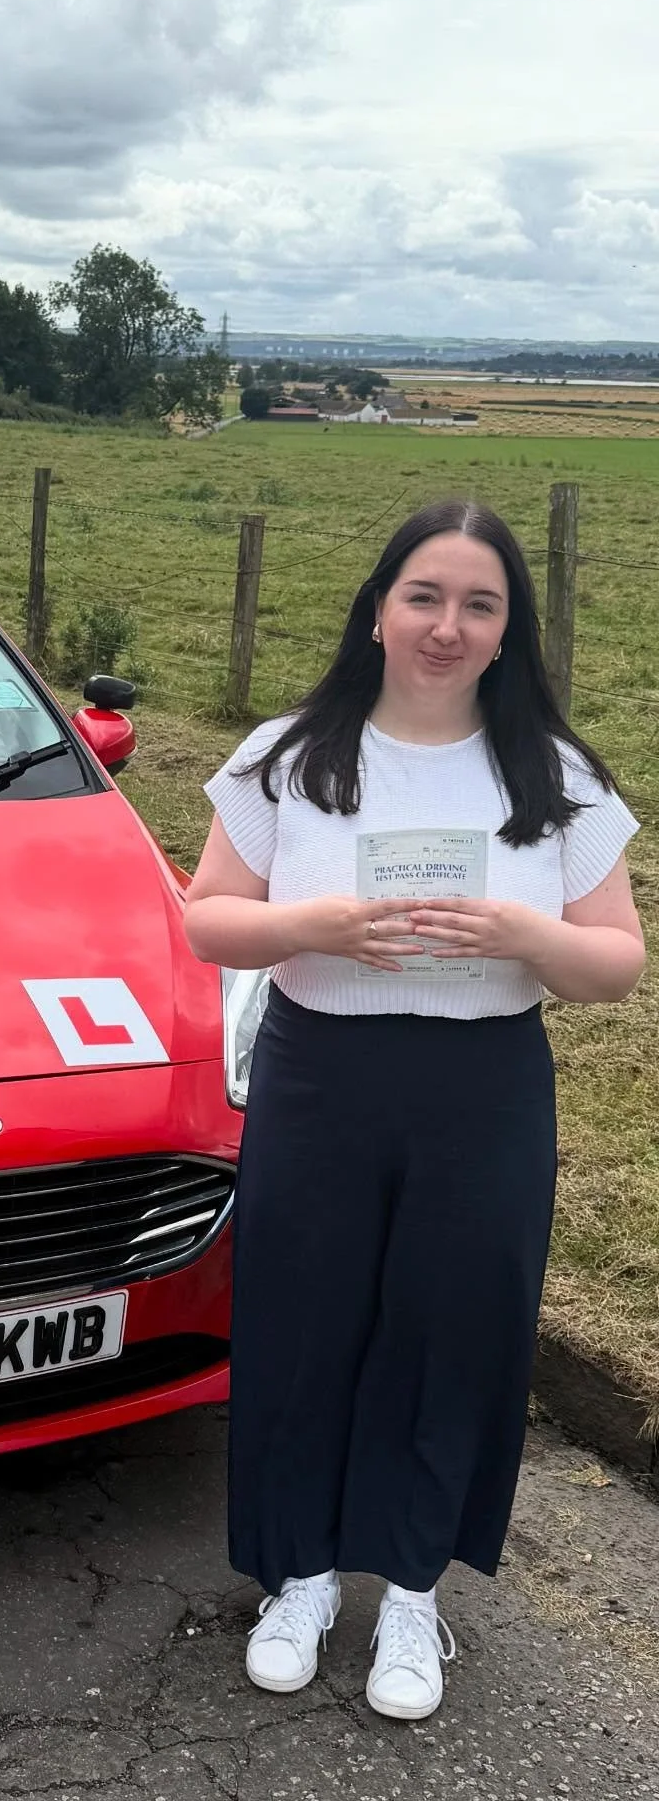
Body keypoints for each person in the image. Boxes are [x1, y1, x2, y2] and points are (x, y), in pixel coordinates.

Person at [183, 499, 644, 1721]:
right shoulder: (289, 754)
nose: (448, 625)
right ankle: (298, 1574)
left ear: (509, 632)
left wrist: (525, 933)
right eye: (426, 597)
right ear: (378, 610)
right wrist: (308, 927)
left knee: (455, 1329)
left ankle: (411, 1594)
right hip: (321, 1072)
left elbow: (615, 966)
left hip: (483, 1085)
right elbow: (205, 919)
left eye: (480, 604)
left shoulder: (557, 775)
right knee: (303, 1320)